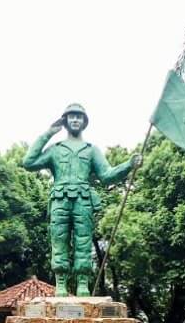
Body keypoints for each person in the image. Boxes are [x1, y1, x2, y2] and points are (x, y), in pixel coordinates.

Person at [22, 104, 141, 297]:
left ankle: (82, 284)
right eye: (71, 116)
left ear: (84, 122)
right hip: (60, 199)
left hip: (83, 200)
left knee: (83, 241)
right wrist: (48, 133)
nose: (75, 120)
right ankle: (60, 284)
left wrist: (128, 165)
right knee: (59, 240)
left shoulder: (91, 150)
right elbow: (28, 163)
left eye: (79, 117)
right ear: (65, 120)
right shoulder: (55, 149)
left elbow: (107, 175)